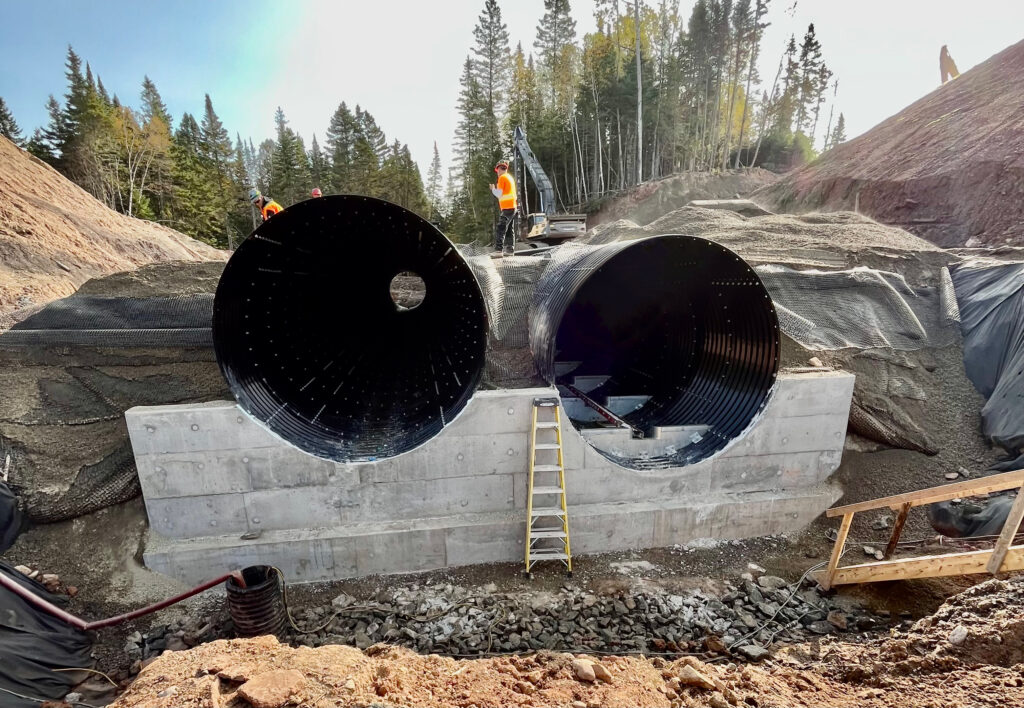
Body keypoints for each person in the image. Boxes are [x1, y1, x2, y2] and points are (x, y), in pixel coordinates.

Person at [489, 160, 517, 255]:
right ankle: (510, 250)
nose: (497, 173)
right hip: (513, 207)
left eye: (497, 171)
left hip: (507, 207)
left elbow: (499, 194)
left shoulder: (502, 178)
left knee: (501, 227)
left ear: (499, 170)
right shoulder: (510, 178)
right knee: (509, 229)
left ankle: (498, 250)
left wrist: (493, 189)